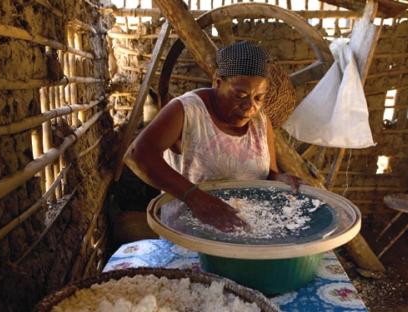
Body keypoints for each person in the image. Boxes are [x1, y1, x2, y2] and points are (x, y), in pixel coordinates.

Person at [124, 41, 299, 232]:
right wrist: (194, 197)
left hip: (244, 237)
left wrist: (280, 179)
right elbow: (137, 155)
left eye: (258, 98)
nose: (250, 107)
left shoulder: (260, 122)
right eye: (240, 95)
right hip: (189, 238)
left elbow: (269, 174)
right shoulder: (187, 111)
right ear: (217, 82)